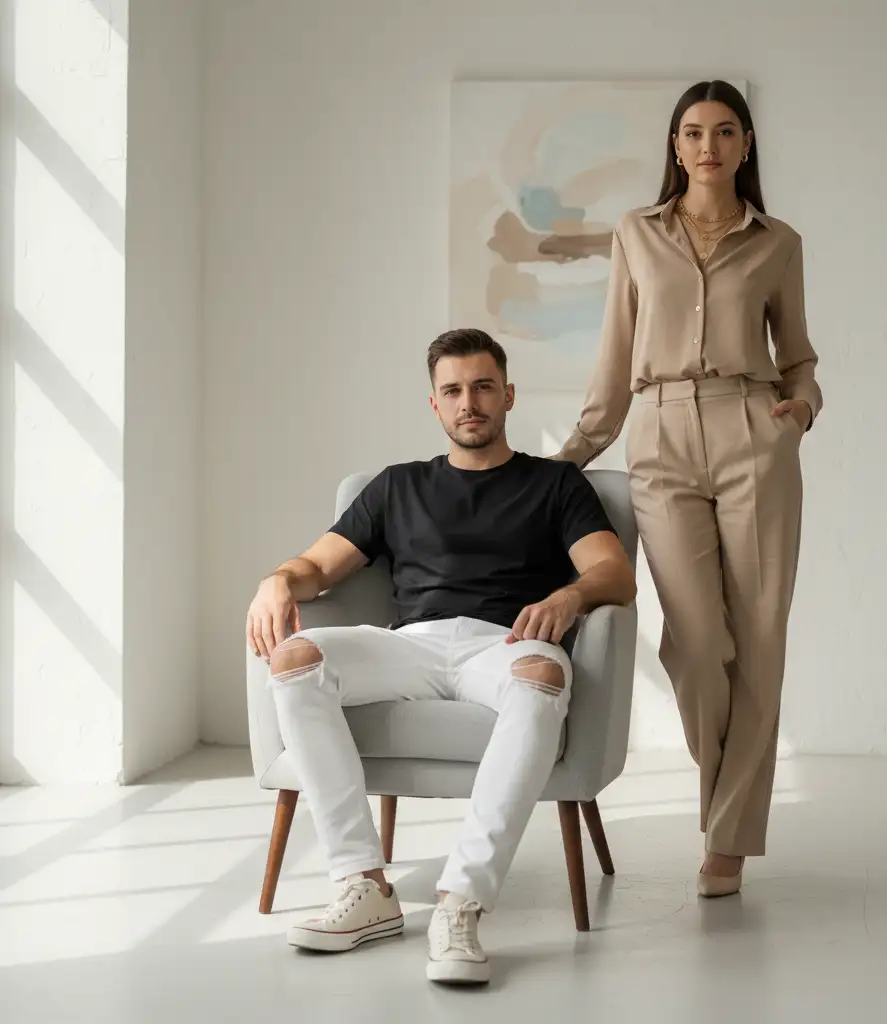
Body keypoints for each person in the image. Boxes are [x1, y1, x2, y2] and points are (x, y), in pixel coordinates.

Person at [246, 328, 636, 984]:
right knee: (293, 659)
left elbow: (614, 574)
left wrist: (568, 600)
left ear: (508, 395)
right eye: (453, 390)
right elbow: (317, 565)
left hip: (506, 645)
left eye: (483, 387)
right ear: (435, 405)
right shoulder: (397, 487)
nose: (469, 402)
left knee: (543, 676)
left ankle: (462, 902)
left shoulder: (556, 485)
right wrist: (278, 580)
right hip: (411, 646)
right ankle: (363, 885)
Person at [554, 80, 823, 897]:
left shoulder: (778, 242)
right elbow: (613, 358)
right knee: (698, 643)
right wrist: (567, 458)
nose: (709, 145)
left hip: (754, 433)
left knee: (761, 640)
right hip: (662, 434)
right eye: (694, 132)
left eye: (726, 131)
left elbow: (800, 352)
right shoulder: (637, 233)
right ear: (675, 147)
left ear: (746, 146)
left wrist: (801, 407)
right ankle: (727, 799)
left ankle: (729, 838)